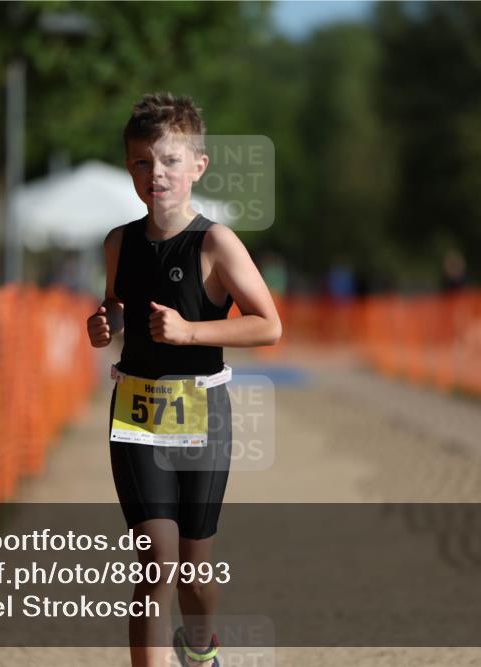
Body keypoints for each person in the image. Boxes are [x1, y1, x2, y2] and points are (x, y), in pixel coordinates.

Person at [86, 92, 282, 667]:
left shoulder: (216, 243)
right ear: (129, 167)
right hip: (136, 415)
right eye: (143, 162)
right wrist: (105, 323)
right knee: (158, 565)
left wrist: (190, 333)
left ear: (198, 165)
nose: (156, 174)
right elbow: (117, 306)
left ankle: (200, 649)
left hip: (202, 415)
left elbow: (268, 325)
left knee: (194, 570)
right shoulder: (118, 243)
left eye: (170, 160)